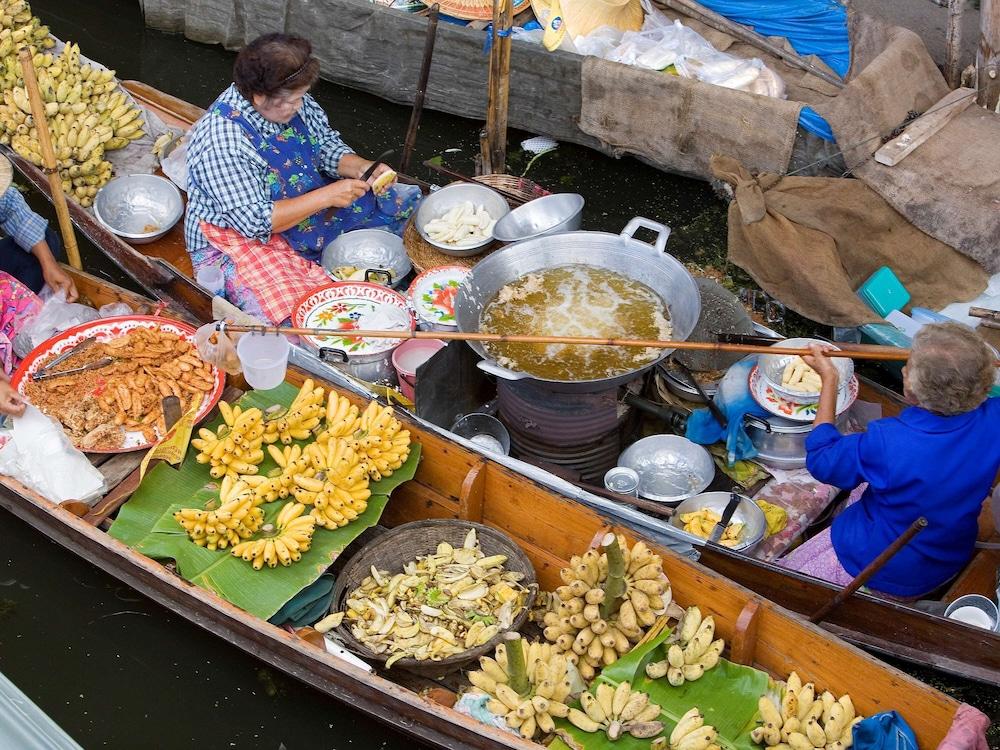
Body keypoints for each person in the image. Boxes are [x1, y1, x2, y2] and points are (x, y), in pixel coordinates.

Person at [184, 32, 420, 324]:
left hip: (297, 196)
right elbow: (256, 223)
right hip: (236, 235)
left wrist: (360, 167)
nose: (299, 105)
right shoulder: (223, 143)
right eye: (293, 100)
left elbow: (325, 146)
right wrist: (328, 196)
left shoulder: (290, 101)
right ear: (259, 97)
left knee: (403, 212)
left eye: (301, 96)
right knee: (304, 312)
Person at [779, 323, 1000, 599]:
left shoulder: (889, 441)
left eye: (908, 367)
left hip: (883, 567)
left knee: (784, 587)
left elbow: (823, 459)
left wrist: (829, 381)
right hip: (948, 552)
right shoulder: (995, 416)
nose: (904, 369)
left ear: (912, 393)